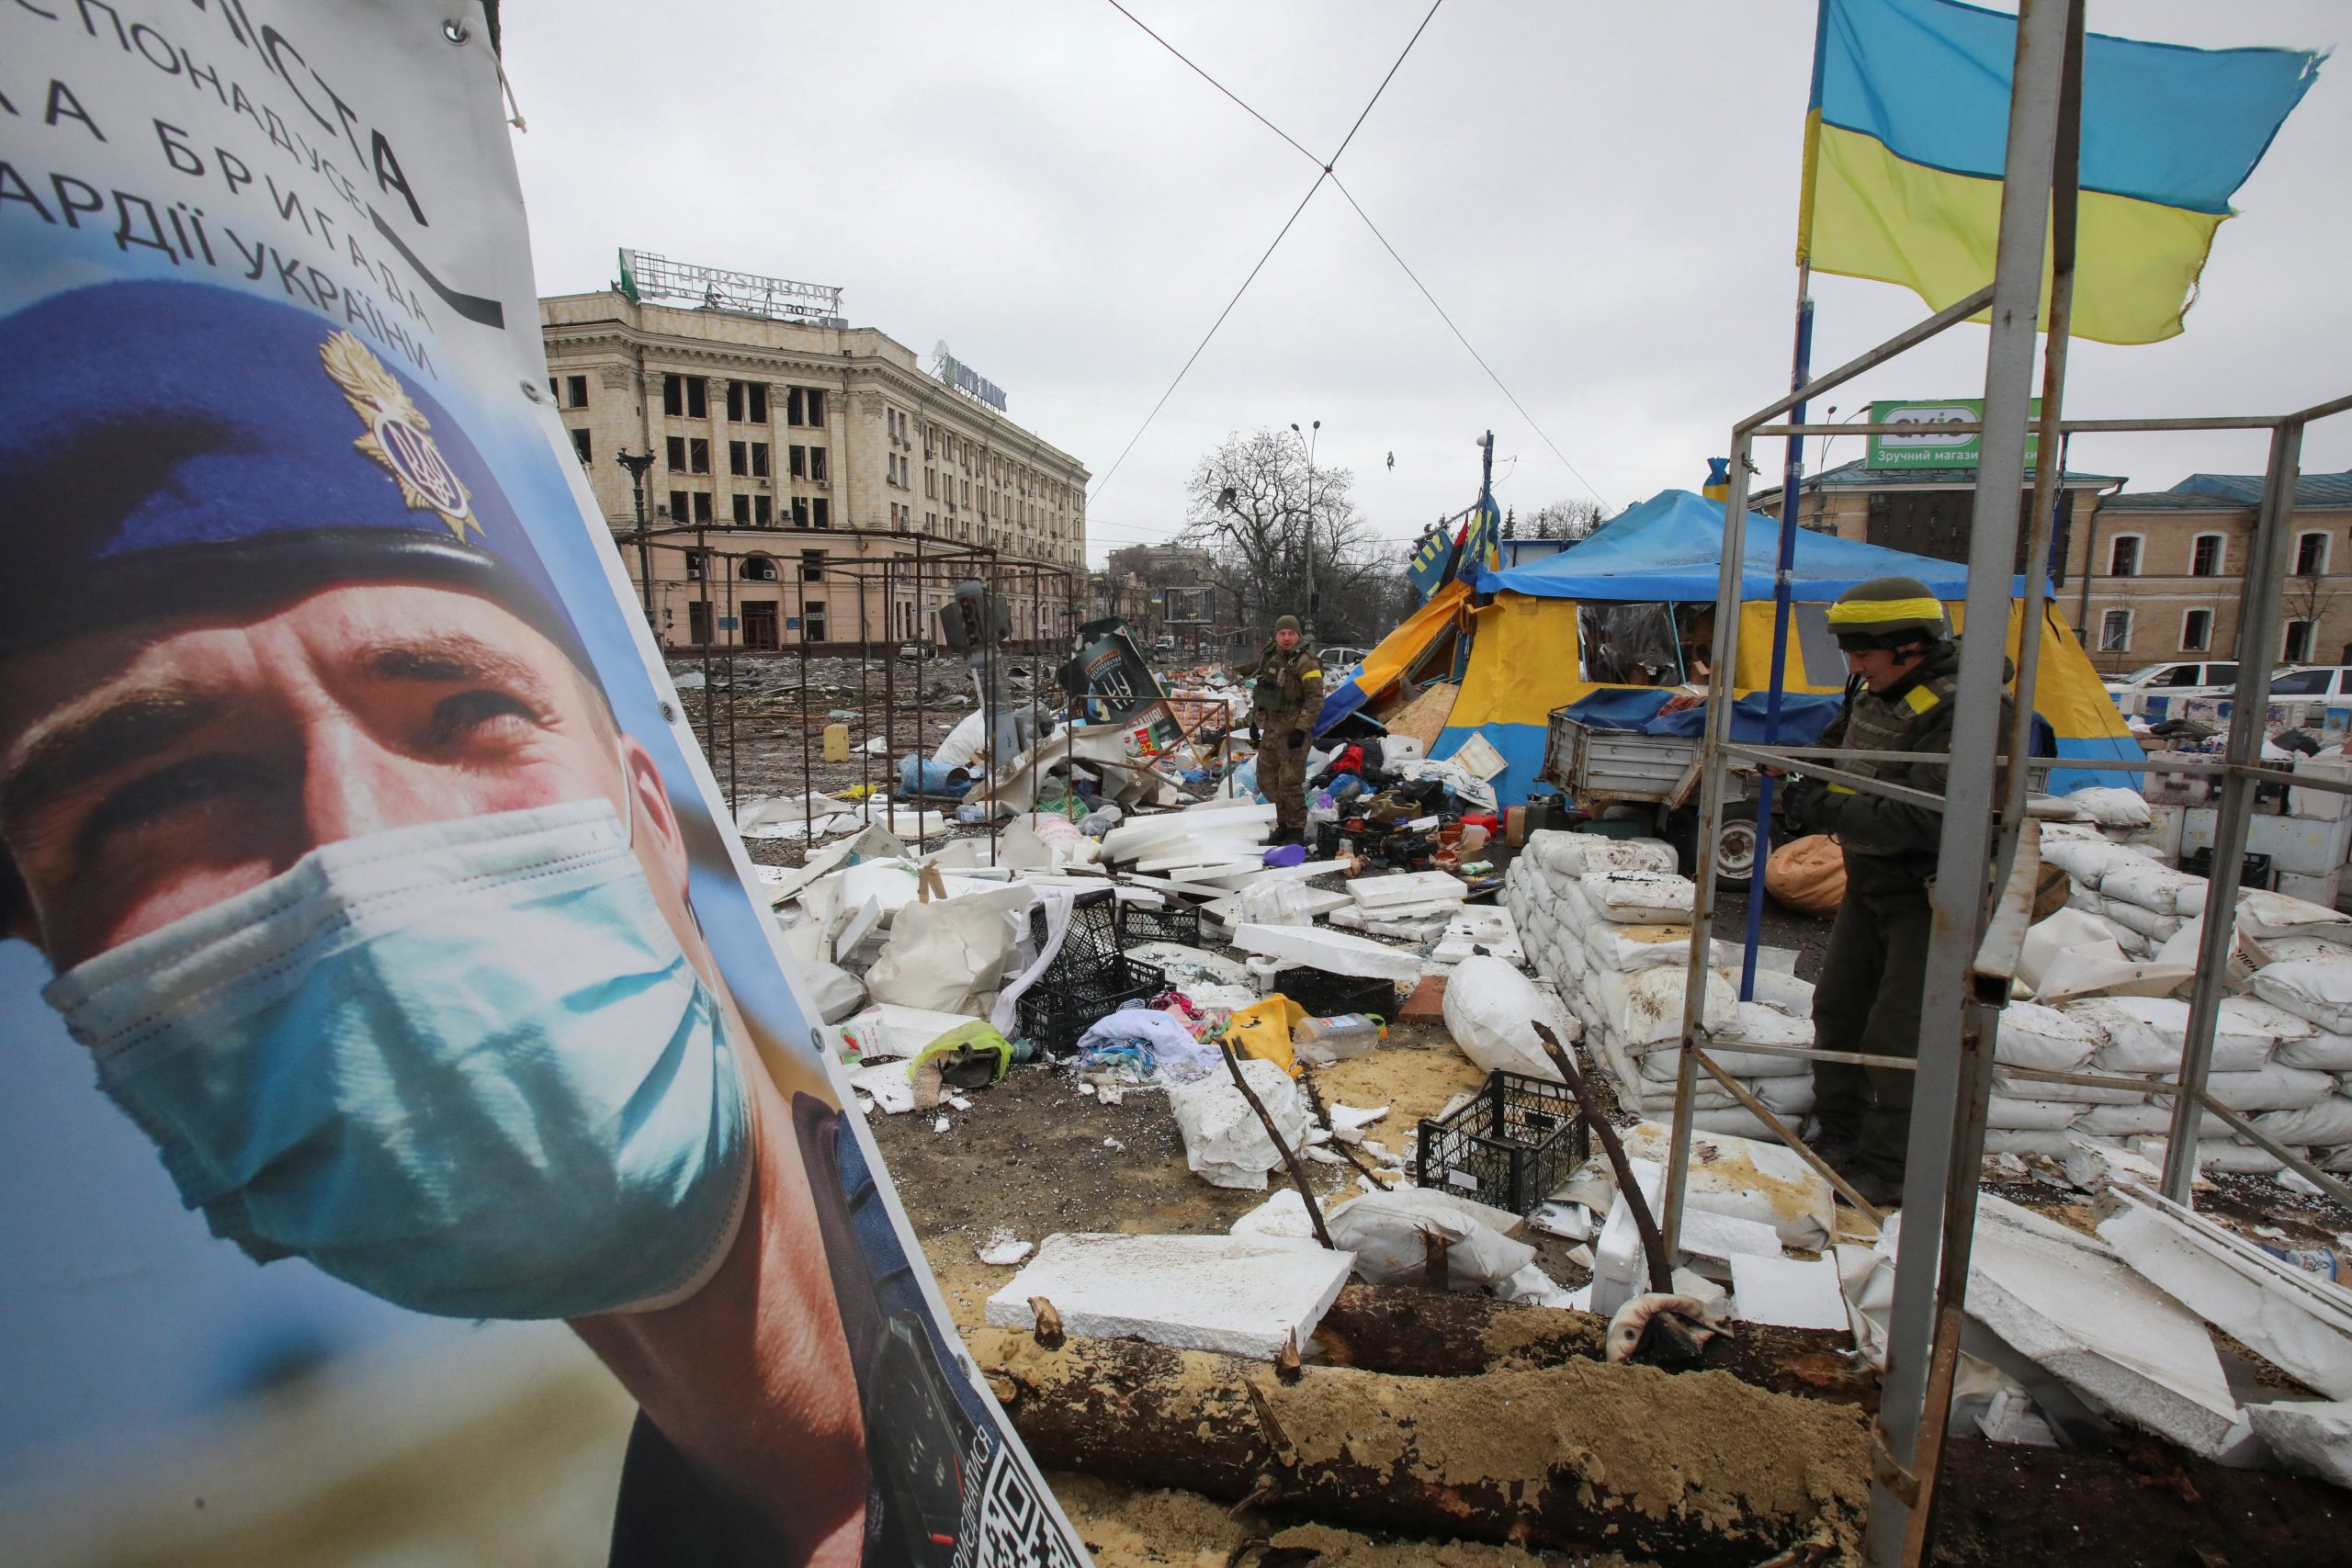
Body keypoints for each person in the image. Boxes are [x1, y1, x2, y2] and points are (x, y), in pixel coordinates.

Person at [0, 282, 923, 1565]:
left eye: (460, 711)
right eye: (171, 790)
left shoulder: (1032, 1317)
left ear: (653, 815)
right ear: (66, 970)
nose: (364, 856)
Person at [1781, 576, 1986, 1211]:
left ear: (1911, 646)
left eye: (1864, 652)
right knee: (1839, 1007)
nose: (1855, 665)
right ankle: (1840, 1130)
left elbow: (1931, 816)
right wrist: (1806, 784)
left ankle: (1890, 1164)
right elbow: (1832, 752)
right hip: (1869, 880)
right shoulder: (1876, 694)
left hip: (1928, 896)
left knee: (1900, 1033)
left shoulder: (1963, 710)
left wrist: (1827, 806)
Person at [1249, 615, 1324, 844]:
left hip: (1293, 734)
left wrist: (1301, 730)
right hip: (1271, 730)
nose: (1287, 638)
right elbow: (1263, 691)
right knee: (1266, 780)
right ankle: (1282, 823)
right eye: (1283, 633)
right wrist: (1254, 721)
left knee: (1290, 783)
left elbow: (1315, 699)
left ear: (1298, 636)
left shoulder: (1306, 662)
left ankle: (1295, 830)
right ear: (1276, 636)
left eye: (1291, 633)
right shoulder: (1270, 656)